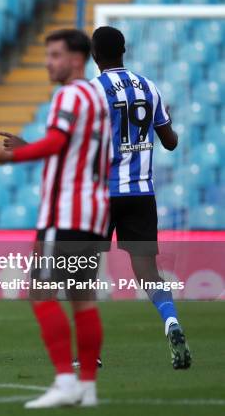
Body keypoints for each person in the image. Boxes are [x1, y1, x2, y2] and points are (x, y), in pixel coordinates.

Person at [0, 29, 110, 408]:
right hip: (95, 211)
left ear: (75, 59)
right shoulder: (97, 97)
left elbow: (56, 142)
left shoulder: (68, 94)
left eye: (54, 55)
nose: (48, 63)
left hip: (65, 210)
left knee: (40, 291)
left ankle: (65, 381)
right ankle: (87, 386)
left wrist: (9, 157)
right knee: (83, 298)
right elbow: (73, 148)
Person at [90, 26, 190, 370]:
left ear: (94, 55)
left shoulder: (92, 92)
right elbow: (171, 141)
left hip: (102, 194)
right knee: (148, 271)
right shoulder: (149, 87)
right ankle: (171, 322)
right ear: (124, 50)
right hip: (141, 193)